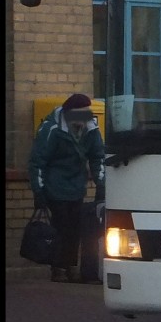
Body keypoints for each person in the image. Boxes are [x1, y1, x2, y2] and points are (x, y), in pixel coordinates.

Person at [28, 92, 106, 283]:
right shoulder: (52, 129)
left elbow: (98, 157)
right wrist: (38, 191)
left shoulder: (90, 128)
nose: (83, 119)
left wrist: (102, 183)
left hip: (76, 187)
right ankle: (58, 268)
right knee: (61, 228)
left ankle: (70, 267)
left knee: (75, 229)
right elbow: (37, 161)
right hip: (55, 187)